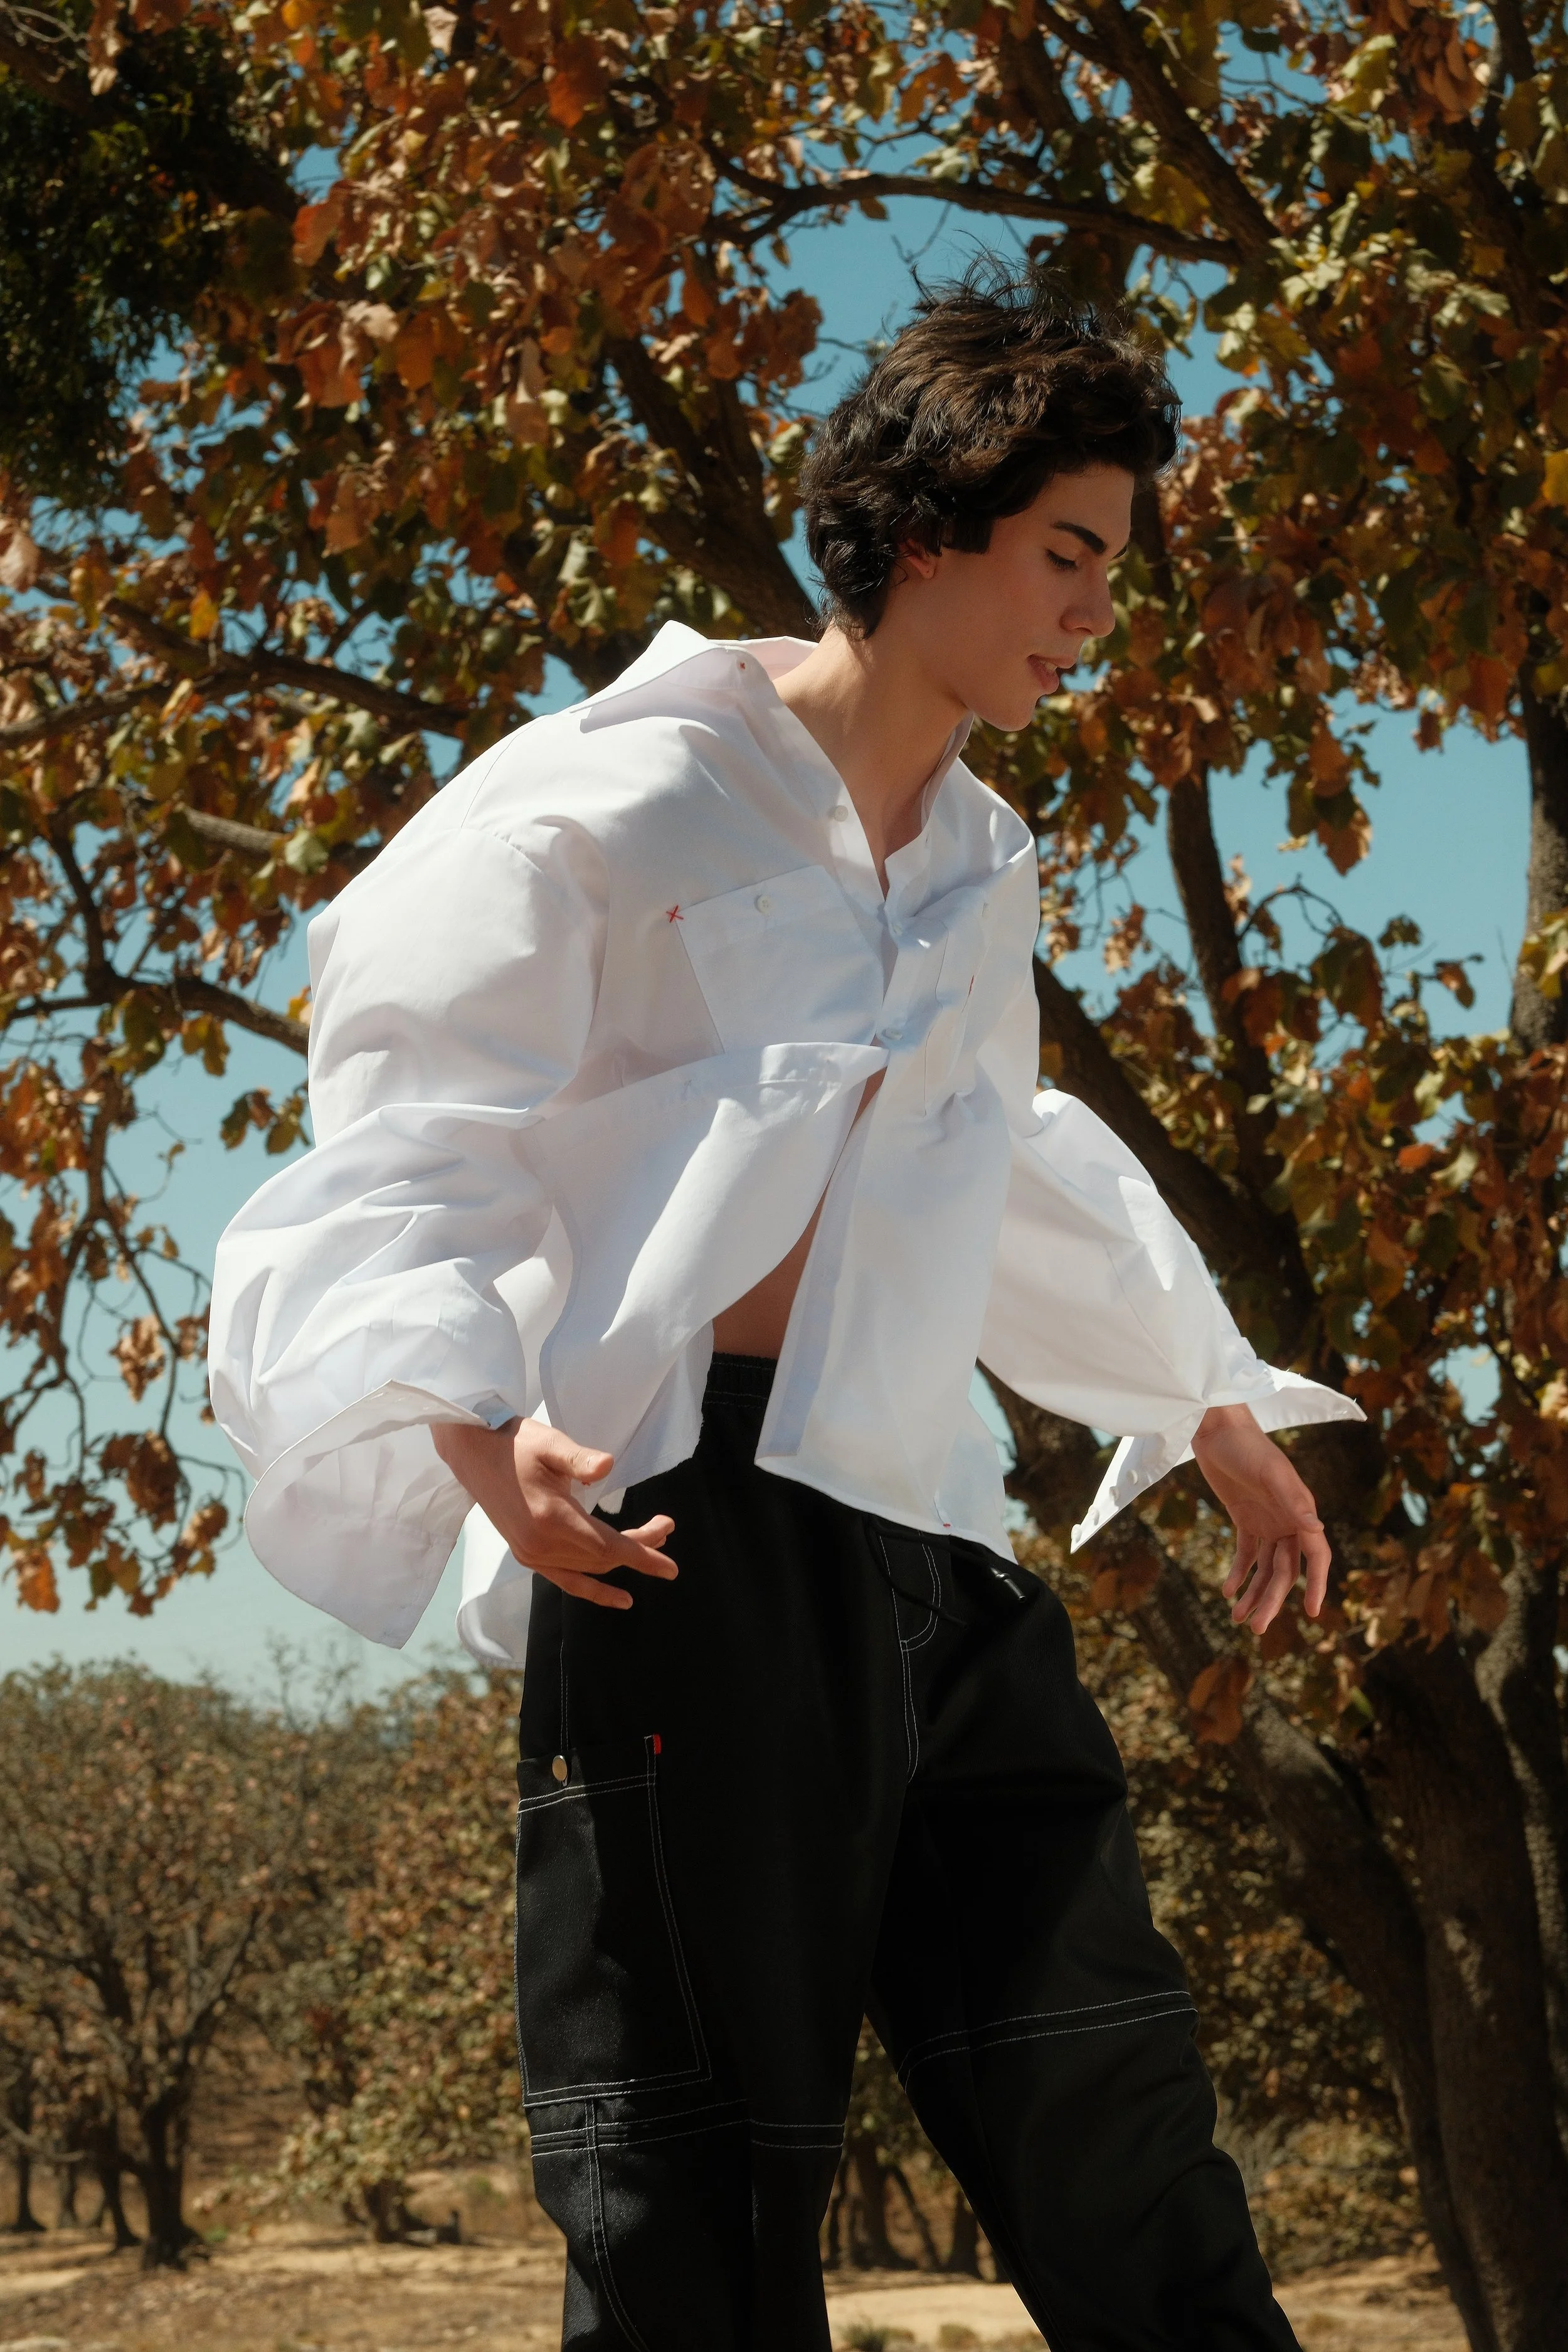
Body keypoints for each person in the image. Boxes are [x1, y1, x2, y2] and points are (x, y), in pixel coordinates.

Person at [209, 264, 1362, 2351]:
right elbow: (414, 1112)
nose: (1096, 608)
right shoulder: (619, 788)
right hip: (689, 1534)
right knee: (700, 2185)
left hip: (923, 1524)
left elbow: (1001, 1153)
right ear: (923, 531)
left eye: (1114, 564)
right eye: (1065, 552)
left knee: (1106, 2105)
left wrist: (1202, 1400)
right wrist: (475, 1421)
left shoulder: (981, 855)